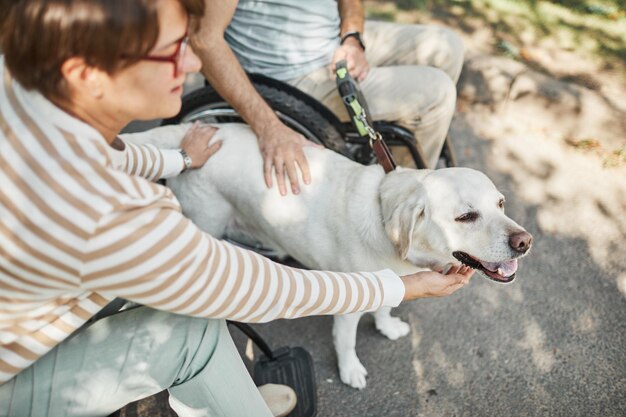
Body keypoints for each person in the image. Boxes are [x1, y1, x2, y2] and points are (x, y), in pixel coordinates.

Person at [0, 1, 474, 416]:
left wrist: (179, 158)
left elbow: (109, 153)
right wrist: (404, 287)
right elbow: (259, 288)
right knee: (193, 333)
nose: (192, 60)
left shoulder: (21, 91)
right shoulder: (113, 215)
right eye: (171, 50)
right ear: (85, 73)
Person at [192, 0, 464, 196]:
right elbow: (204, 40)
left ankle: (400, 167)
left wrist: (352, 38)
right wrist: (269, 128)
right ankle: (400, 200)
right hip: (286, 78)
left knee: (446, 46)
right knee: (435, 93)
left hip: (331, 43)